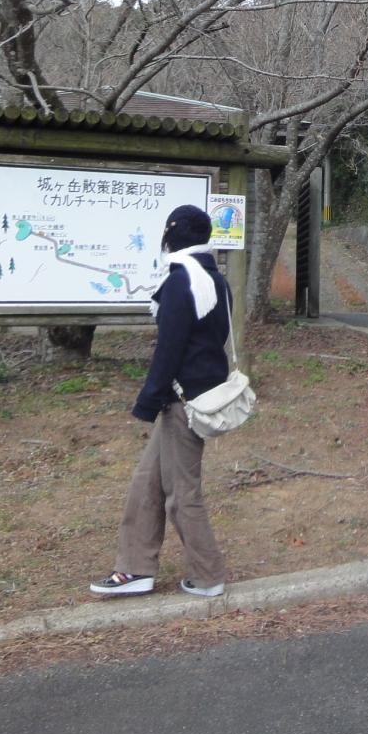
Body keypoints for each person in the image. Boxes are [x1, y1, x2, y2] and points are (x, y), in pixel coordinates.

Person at [90, 204, 230, 598]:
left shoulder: (181, 281)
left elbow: (169, 350)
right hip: (194, 396)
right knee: (145, 483)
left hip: (182, 402)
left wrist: (147, 401)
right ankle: (135, 569)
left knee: (183, 494)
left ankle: (208, 576)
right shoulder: (214, 278)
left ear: (172, 235)